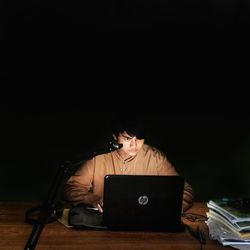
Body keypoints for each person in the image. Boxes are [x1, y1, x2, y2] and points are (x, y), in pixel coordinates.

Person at [63, 118, 194, 213]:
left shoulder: (155, 157)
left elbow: (184, 189)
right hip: (106, 221)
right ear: (115, 137)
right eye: (127, 138)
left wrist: (171, 210)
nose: (134, 145)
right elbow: (73, 187)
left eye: (139, 139)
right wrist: (93, 199)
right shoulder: (99, 157)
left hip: (146, 221)